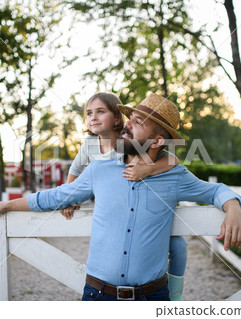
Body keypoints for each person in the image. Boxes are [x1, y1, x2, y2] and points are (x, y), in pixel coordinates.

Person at [0, 93, 241, 301]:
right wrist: (6, 204)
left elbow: (215, 190)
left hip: (153, 298)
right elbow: (54, 197)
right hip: (98, 296)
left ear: (156, 142)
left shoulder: (174, 176)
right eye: (129, 119)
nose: (126, 124)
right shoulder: (98, 169)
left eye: (138, 122)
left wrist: (233, 207)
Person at [60, 92, 187, 300]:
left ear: (117, 119)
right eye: (89, 113)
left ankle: (175, 293)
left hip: (148, 202)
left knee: (178, 245)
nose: (93, 117)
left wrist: (148, 170)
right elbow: (74, 172)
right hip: (116, 203)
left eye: (101, 112)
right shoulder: (90, 144)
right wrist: (70, 198)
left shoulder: (127, 139)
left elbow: (173, 160)